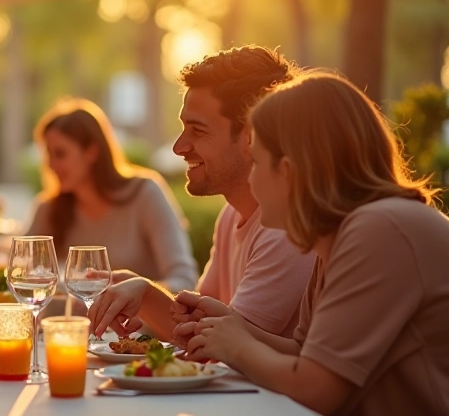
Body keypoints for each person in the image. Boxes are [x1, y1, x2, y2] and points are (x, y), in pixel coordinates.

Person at [180, 72, 449, 416]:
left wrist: (238, 346)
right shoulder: (342, 235)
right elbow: (308, 355)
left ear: (288, 171)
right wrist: (230, 325)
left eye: (257, 161)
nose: (251, 179)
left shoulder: (381, 230)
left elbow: (313, 391)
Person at [89, 46, 315, 340]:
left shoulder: (285, 226)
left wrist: (145, 293)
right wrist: (141, 294)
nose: (179, 147)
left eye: (198, 130)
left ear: (251, 137)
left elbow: (227, 346)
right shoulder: (232, 213)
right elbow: (193, 326)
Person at [27, 98, 197, 292]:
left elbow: (184, 280)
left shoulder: (145, 194)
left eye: (60, 153)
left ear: (91, 152)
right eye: (48, 154)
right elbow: (21, 272)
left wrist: (140, 296)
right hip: (68, 322)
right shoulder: (48, 208)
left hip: (137, 323)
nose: (50, 164)